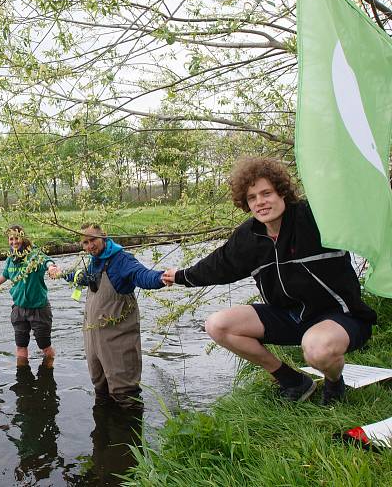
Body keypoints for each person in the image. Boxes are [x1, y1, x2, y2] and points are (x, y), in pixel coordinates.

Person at [161, 157, 377, 405]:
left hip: (339, 316)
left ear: (282, 193)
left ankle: (334, 383)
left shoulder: (315, 217)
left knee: (317, 349)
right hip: (289, 316)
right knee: (217, 325)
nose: (260, 202)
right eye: (252, 197)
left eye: (267, 193)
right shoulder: (249, 236)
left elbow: (360, 214)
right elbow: (218, 265)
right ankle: (292, 381)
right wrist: (181, 276)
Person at [53, 223, 166, 407]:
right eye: (85, 242)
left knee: (125, 396)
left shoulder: (122, 260)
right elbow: (81, 277)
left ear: (104, 237)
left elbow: (142, 275)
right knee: (101, 392)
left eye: (93, 240)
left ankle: (127, 435)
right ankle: (102, 435)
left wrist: (160, 278)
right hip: (94, 341)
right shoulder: (93, 262)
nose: (90, 246)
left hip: (118, 342)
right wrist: (62, 273)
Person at [0, 225, 60, 366]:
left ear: (23, 237)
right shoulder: (11, 258)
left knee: (44, 346)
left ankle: (48, 373)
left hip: (39, 308)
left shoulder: (33, 254)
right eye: (11, 239)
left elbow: (47, 260)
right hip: (19, 309)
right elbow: (6, 274)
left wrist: (52, 267)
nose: (14, 242)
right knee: (21, 346)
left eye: (17, 238)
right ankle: (22, 378)